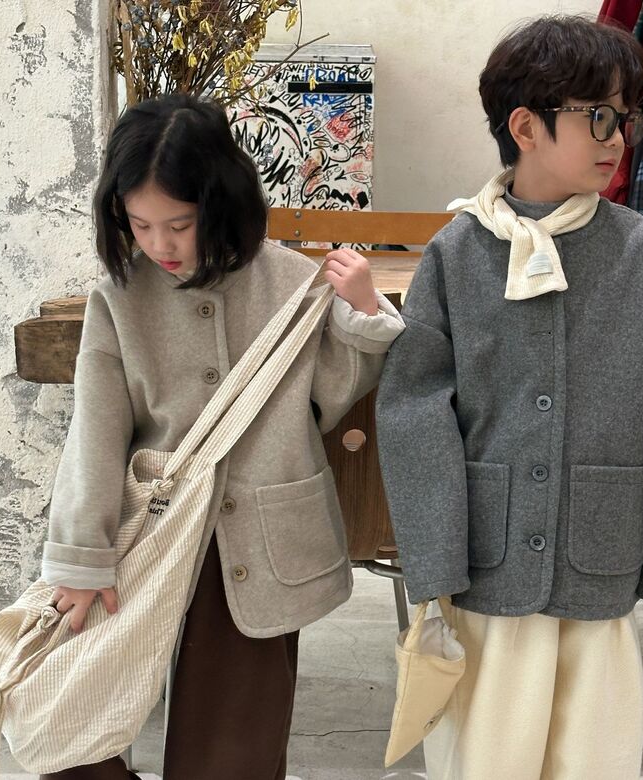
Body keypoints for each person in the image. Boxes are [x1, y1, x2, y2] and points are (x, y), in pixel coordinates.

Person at [376, 15, 643, 780]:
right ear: (525, 126)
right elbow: (414, 411)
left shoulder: (638, 250)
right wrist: (435, 559)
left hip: (600, 552)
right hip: (486, 561)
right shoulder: (456, 253)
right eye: (598, 116)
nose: (618, 137)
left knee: (594, 753)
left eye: (624, 116)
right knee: (488, 752)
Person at [40, 93, 404, 779]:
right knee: (66, 729)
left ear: (222, 200)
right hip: (150, 536)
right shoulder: (119, 300)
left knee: (232, 756)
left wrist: (362, 312)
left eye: (179, 224)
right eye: (140, 225)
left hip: (261, 537)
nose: (160, 245)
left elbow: (328, 398)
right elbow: (94, 437)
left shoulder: (293, 283)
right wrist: (81, 559)